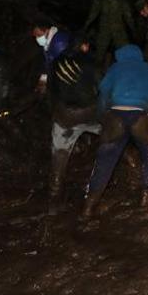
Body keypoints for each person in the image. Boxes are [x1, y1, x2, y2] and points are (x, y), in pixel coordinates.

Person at [81, 45, 148, 219]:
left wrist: (102, 117)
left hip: (115, 115)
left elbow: (103, 95)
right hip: (142, 116)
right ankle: (145, 198)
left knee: (104, 160)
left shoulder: (115, 68)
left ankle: (89, 206)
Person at [47, 36, 102, 215]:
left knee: (59, 160)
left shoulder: (55, 62)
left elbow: (51, 90)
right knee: (113, 136)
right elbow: (102, 87)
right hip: (91, 113)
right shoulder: (89, 62)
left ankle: (54, 205)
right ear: (84, 46)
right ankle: (129, 165)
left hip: (65, 116)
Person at [83, 0, 134, 65]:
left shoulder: (122, 1)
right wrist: (86, 27)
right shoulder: (101, 0)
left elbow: (129, 17)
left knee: (125, 52)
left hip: (119, 31)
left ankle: (124, 70)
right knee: (99, 53)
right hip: (104, 30)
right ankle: (98, 71)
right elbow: (93, 14)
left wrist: (133, 30)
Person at [32, 19, 71, 92]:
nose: (37, 38)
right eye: (35, 36)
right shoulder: (48, 45)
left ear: (46, 31)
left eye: (38, 35)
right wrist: (43, 81)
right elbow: (48, 63)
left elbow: (57, 66)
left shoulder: (59, 42)